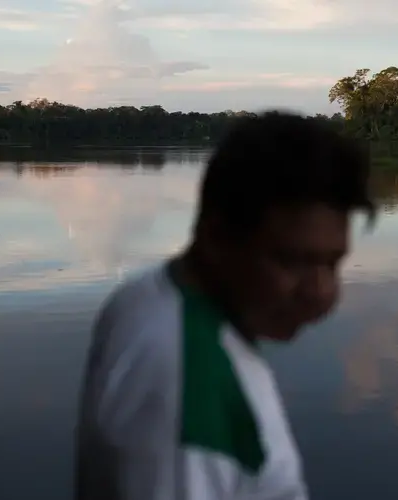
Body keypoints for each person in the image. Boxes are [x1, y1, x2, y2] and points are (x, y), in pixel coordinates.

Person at [74, 111, 376, 500]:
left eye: (333, 263)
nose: (321, 293)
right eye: (291, 261)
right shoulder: (190, 386)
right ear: (216, 237)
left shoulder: (151, 297)